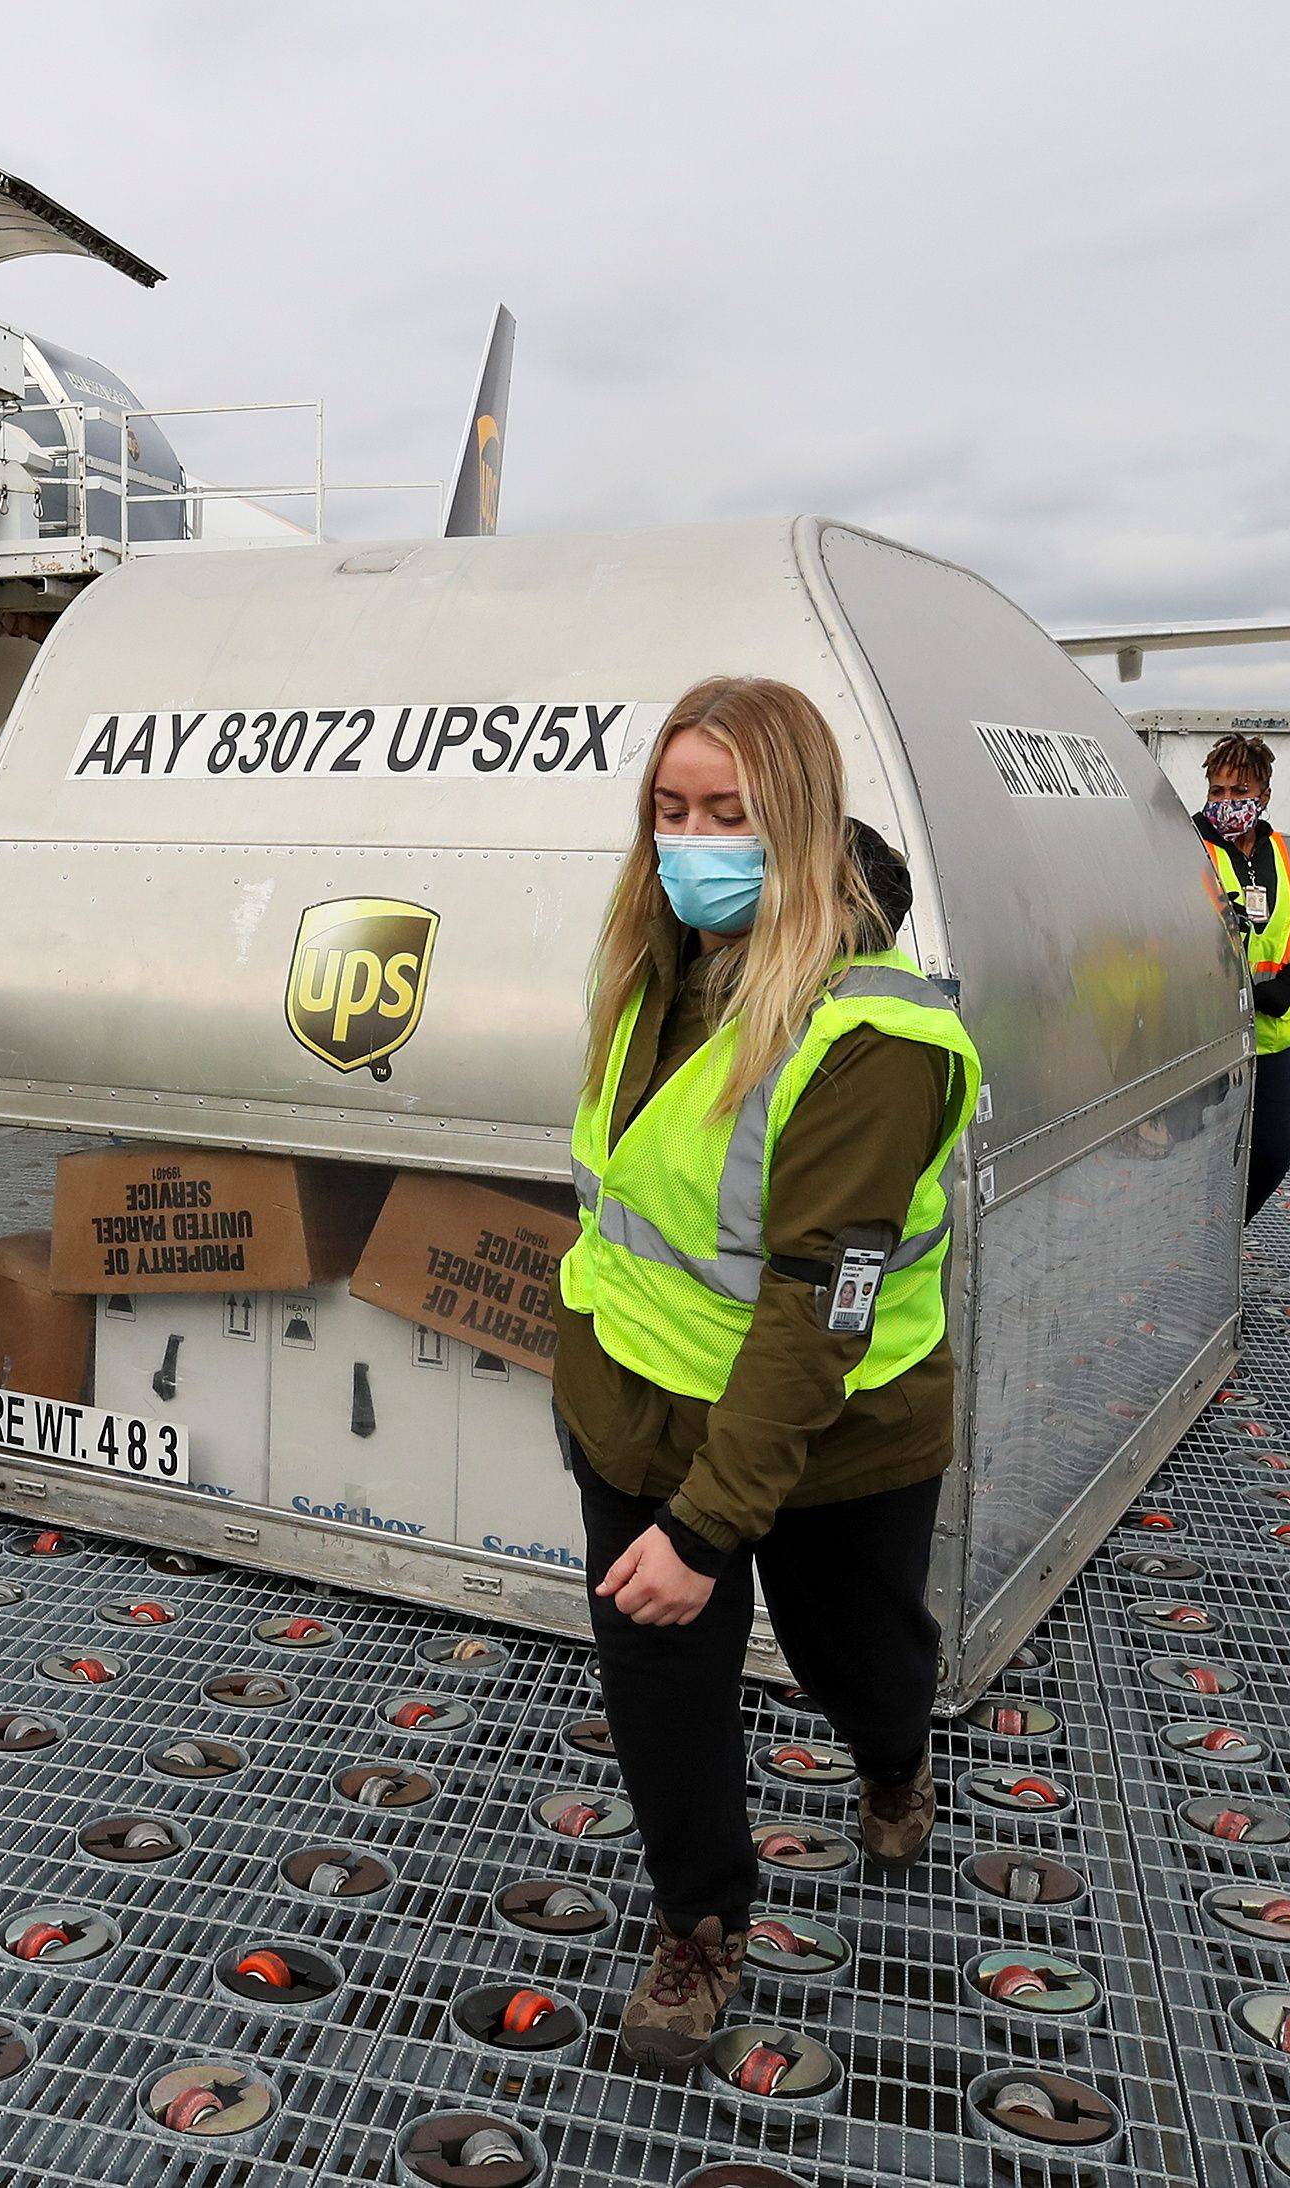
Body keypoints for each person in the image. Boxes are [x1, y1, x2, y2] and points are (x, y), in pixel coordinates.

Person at [555, 675, 984, 2070]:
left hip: (833, 1436)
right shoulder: (662, 969)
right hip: (637, 1412)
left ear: (797, 825)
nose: (692, 841)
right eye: (670, 811)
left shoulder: (875, 1041)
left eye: (727, 814)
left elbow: (822, 1312)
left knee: (851, 1654)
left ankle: (894, 1762)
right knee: (659, 1694)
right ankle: (701, 1921)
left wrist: (706, 1528)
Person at [1197, 733, 1290, 1221]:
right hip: (1202, 1038)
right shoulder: (1185, 849)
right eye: (1217, 792)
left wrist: (1289, 985)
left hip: (1269, 1035)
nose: (1227, 803)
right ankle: (1191, 1245)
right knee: (1195, 1156)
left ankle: (1222, 1235)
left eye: (1239, 793)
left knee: (1275, 1150)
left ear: (1264, 796)